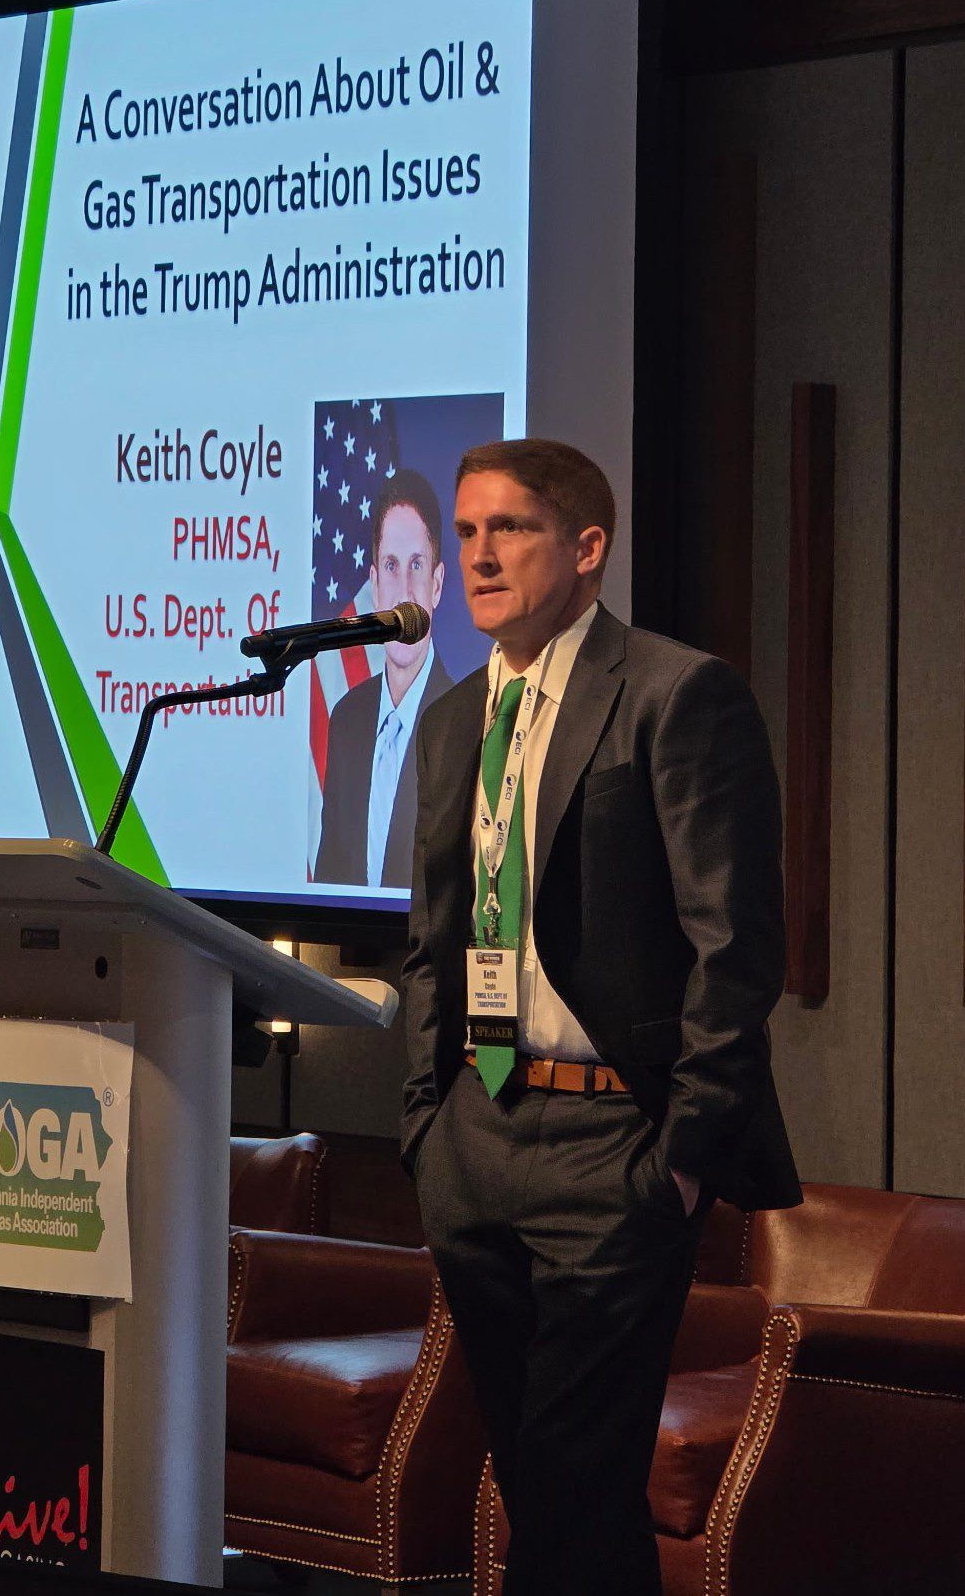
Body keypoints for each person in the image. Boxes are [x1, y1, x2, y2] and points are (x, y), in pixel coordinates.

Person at [401, 438, 801, 1596]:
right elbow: (433, 939)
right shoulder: (454, 719)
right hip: (477, 1135)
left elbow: (736, 948)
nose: (479, 556)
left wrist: (680, 1159)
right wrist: (428, 1124)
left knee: (575, 1475)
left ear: (587, 548)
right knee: (550, 1491)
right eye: (466, 532)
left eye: (509, 528)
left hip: (613, 1144)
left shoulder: (676, 694)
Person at [315, 469, 452, 888]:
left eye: (416, 565)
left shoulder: (466, 720)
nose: (404, 591)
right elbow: (330, 879)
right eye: (391, 566)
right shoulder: (346, 719)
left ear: (437, 584)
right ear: (374, 584)